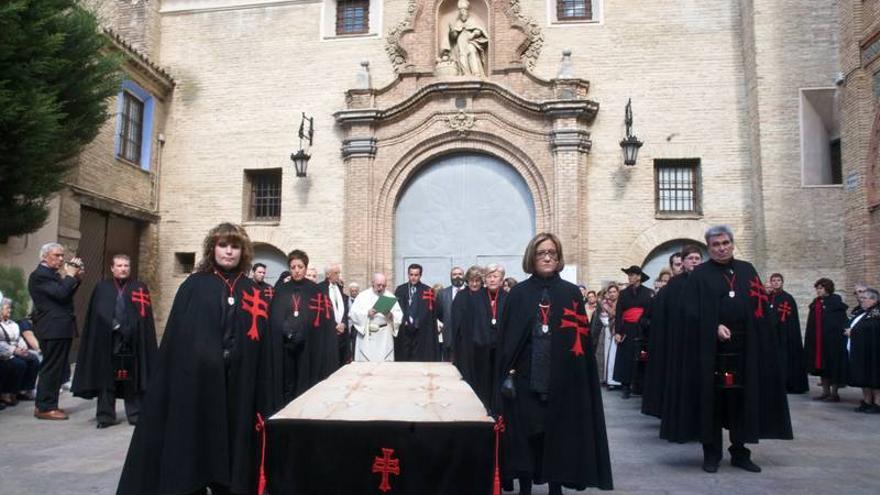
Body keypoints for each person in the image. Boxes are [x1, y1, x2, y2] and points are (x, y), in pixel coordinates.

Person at [116, 223, 277, 495]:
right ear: (211, 249)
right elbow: (180, 339)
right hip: (199, 383)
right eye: (223, 245)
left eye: (235, 246)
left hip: (240, 384)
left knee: (233, 439)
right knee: (198, 438)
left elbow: (262, 341)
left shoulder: (253, 289)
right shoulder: (195, 285)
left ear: (243, 252)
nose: (228, 252)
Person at [660, 225, 791, 474]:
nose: (721, 248)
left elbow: (759, 306)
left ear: (732, 243)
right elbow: (689, 312)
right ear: (709, 248)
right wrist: (713, 325)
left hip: (744, 349)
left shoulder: (747, 270)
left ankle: (740, 452)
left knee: (742, 401)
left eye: (725, 243)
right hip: (711, 353)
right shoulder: (700, 275)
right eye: (715, 245)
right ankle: (711, 454)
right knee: (713, 402)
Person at [497, 232, 612, 494]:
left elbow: (580, 343)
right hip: (525, 381)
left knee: (557, 437)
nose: (547, 257)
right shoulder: (518, 294)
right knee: (527, 436)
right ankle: (525, 485)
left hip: (561, 382)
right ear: (532, 258)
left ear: (558, 258)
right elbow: (507, 342)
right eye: (541, 253)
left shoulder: (570, 293)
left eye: (552, 253)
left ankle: (555, 486)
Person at [71, 255, 158, 428]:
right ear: (112, 268)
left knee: (131, 377)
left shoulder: (139, 287)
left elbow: (144, 314)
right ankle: (105, 416)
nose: (123, 268)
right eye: (119, 265)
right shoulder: (103, 287)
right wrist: (116, 326)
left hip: (132, 341)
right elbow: (99, 313)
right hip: (108, 339)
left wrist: (131, 328)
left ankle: (135, 414)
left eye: (126, 265)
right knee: (107, 378)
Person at [269, 250, 340, 404]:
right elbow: (274, 316)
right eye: (293, 267)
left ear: (305, 268)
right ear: (289, 268)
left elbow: (323, 320)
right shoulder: (281, 290)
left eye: (300, 266)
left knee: (305, 380)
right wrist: (285, 328)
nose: (297, 270)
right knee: (287, 380)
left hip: (308, 345)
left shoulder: (316, 291)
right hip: (285, 344)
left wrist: (306, 331)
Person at [643, 245, 703, 419]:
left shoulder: (706, 281)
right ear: (683, 262)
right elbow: (661, 315)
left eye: (697, 258)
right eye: (690, 258)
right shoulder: (673, 286)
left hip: (700, 341)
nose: (694, 262)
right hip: (678, 342)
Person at [28, 242, 83, 420]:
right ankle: (45, 407)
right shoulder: (40, 276)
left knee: (58, 368)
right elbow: (60, 294)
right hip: (52, 328)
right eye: (56, 255)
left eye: (62, 255)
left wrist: (76, 278)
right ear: (45, 256)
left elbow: (65, 294)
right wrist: (70, 276)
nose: (61, 259)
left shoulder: (52, 275)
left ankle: (50, 403)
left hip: (61, 327)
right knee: (51, 368)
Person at [452, 264, 507, 411]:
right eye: (489, 277)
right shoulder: (474, 298)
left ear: (502, 280)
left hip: (500, 349)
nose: (492, 280)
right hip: (479, 348)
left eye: (495, 277)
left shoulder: (508, 298)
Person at [804, 278, 849, 402]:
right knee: (821, 367)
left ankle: (834, 394)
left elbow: (841, 321)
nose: (818, 291)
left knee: (833, 366)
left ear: (827, 288)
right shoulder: (816, 303)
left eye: (821, 288)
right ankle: (825, 392)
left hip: (833, 341)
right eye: (817, 288)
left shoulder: (835, 302)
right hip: (818, 341)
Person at [614, 265, 654, 399]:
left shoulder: (649, 293)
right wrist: (618, 332)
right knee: (626, 357)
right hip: (627, 328)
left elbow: (651, 313)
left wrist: (645, 323)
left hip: (642, 329)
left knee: (642, 357)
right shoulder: (624, 293)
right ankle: (626, 386)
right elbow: (619, 313)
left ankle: (640, 386)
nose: (630, 277)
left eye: (632, 275)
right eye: (629, 275)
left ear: (639, 277)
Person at [767, 273, 809, 393]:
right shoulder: (769, 297)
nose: (776, 282)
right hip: (773, 335)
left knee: (785, 358)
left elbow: (790, 318)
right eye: (773, 280)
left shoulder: (787, 298)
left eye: (778, 280)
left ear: (782, 282)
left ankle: (788, 384)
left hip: (786, 334)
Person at [350, 273, 403, 362]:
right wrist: (367, 313)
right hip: (367, 333)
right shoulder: (362, 296)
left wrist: (390, 315)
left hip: (384, 335)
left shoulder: (389, 296)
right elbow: (353, 313)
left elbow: (398, 315)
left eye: (384, 285)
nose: (381, 288)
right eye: (379, 285)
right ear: (372, 283)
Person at [394, 263, 440, 361]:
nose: (413, 277)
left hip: (420, 332)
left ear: (420, 275)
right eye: (411, 275)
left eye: (416, 275)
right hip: (404, 331)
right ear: (408, 275)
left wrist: (417, 322)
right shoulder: (400, 289)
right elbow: (397, 309)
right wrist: (405, 320)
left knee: (419, 358)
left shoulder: (427, 290)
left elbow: (429, 312)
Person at [0, 299, 40, 406]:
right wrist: (13, 350)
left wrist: (23, 348)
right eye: (7, 308)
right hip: (5, 353)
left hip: (15, 350)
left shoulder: (13, 324)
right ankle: (7, 393)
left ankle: (25, 390)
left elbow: (19, 339)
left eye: (10, 307)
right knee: (18, 364)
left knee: (34, 359)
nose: (10, 310)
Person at [847, 288, 880, 413]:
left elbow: (873, 328)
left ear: (874, 300)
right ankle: (867, 401)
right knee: (864, 376)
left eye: (865, 298)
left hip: (874, 351)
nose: (862, 301)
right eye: (861, 298)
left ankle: (877, 403)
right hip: (862, 349)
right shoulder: (862, 312)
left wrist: (854, 332)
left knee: (874, 377)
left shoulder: (877, 313)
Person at [443, 0, 488, 76]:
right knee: (462, 56)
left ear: (467, 12)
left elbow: (479, 30)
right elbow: (454, 36)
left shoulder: (472, 20)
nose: (462, 13)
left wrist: (473, 35)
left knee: (471, 51)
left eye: (464, 11)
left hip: (471, 41)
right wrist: (451, 31)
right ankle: (465, 73)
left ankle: (476, 72)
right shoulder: (458, 23)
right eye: (461, 11)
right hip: (461, 41)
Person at [316, 263, 350, 365]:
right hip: (329, 331)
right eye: (336, 273)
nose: (339, 275)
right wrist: (334, 325)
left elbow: (344, 308)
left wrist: (343, 323)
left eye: (339, 273)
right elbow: (321, 311)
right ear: (328, 275)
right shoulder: (320, 288)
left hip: (342, 332)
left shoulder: (340, 287)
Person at [437, 266, 466, 362]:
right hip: (449, 336)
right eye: (454, 274)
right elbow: (440, 314)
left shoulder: (470, 291)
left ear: (464, 276)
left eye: (460, 274)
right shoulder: (443, 294)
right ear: (450, 277)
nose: (457, 276)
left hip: (466, 337)